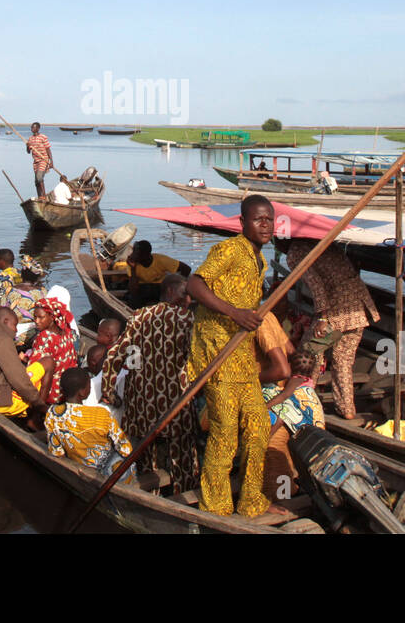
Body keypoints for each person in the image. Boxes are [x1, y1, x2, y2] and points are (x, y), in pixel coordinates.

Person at [186, 194, 280, 518]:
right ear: (243, 223)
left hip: (241, 356)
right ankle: (217, 507)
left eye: (269, 219)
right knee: (225, 433)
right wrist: (234, 313)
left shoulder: (261, 259)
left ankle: (251, 501)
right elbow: (194, 285)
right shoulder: (228, 250)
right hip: (216, 353)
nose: (265, 225)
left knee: (257, 429)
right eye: (258, 219)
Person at [100, 272, 199, 494]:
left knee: (146, 460)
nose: (189, 301)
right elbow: (198, 361)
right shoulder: (188, 320)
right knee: (182, 459)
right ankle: (184, 495)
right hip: (176, 406)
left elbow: (116, 356)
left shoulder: (140, 316)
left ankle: (150, 495)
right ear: (171, 292)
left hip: (142, 407)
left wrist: (109, 391)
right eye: (186, 295)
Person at [286, 239, 380, 420]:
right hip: (358, 307)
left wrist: (322, 318)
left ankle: (305, 400)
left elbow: (317, 287)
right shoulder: (324, 240)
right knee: (343, 361)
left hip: (336, 310)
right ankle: (347, 409)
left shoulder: (295, 252)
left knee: (307, 354)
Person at [45, 367, 134, 482]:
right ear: (82, 393)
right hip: (104, 475)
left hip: (77, 468)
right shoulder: (101, 415)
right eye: (89, 385)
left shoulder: (52, 414)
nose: (91, 386)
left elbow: (56, 452)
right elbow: (125, 449)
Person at [24, 294, 79, 404]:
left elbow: (35, 369)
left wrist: (24, 359)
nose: (36, 321)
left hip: (51, 391)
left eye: (41, 317)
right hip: (65, 388)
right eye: (35, 317)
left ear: (52, 317)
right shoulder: (66, 332)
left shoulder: (45, 337)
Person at [118, 241, 191, 308]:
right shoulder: (132, 263)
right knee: (132, 300)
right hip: (141, 288)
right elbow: (133, 289)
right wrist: (133, 268)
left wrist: (181, 287)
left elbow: (186, 269)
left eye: (136, 253)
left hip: (159, 288)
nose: (132, 255)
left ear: (145, 255)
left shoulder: (161, 260)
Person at [25, 122, 54, 198]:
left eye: (33, 127)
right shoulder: (30, 139)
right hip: (36, 162)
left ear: (38, 128)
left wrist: (51, 162)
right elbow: (28, 152)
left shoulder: (43, 137)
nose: (32, 129)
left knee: (39, 177)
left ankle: (44, 195)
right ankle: (39, 197)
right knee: (36, 182)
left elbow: (48, 150)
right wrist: (27, 146)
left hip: (44, 160)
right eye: (31, 127)